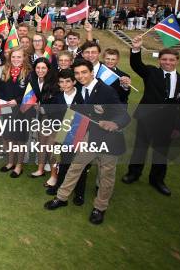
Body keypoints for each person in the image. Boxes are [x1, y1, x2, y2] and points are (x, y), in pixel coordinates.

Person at [44, 59, 130, 225]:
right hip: (89, 137)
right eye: (77, 73)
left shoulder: (106, 91)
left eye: (84, 72)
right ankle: (62, 197)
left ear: (92, 72)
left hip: (109, 140)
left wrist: (115, 123)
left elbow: (123, 114)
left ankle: (100, 208)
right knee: (75, 166)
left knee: (106, 176)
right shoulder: (80, 90)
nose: (81, 76)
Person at [122, 36, 180, 196]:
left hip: (168, 123)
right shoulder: (151, 73)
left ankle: (157, 180)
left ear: (177, 61)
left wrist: (179, 127)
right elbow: (136, 65)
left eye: (171, 60)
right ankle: (133, 173)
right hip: (146, 118)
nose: (168, 62)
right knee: (140, 149)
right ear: (160, 60)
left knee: (161, 152)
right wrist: (136, 48)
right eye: (164, 59)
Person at [46, 68, 88, 205]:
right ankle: (59, 187)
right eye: (61, 82)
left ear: (74, 82)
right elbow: (53, 118)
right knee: (63, 163)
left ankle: (79, 194)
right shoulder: (56, 98)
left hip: (79, 133)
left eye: (68, 82)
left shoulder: (82, 97)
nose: (64, 85)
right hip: (63, 133)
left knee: (78, 165)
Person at [0, 48, 32, 178]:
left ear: (24, 58)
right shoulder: (5, 71)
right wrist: (3, 101)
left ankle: (19, 165)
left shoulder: (29, 73)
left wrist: (17, 101)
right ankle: (10, 162)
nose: (16, 59)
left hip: (22, 110)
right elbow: (1, 89)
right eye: (13, 57)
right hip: (7, 109)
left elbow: (30, 94)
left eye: (19, 57)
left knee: (20, 139)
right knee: (8, 137)